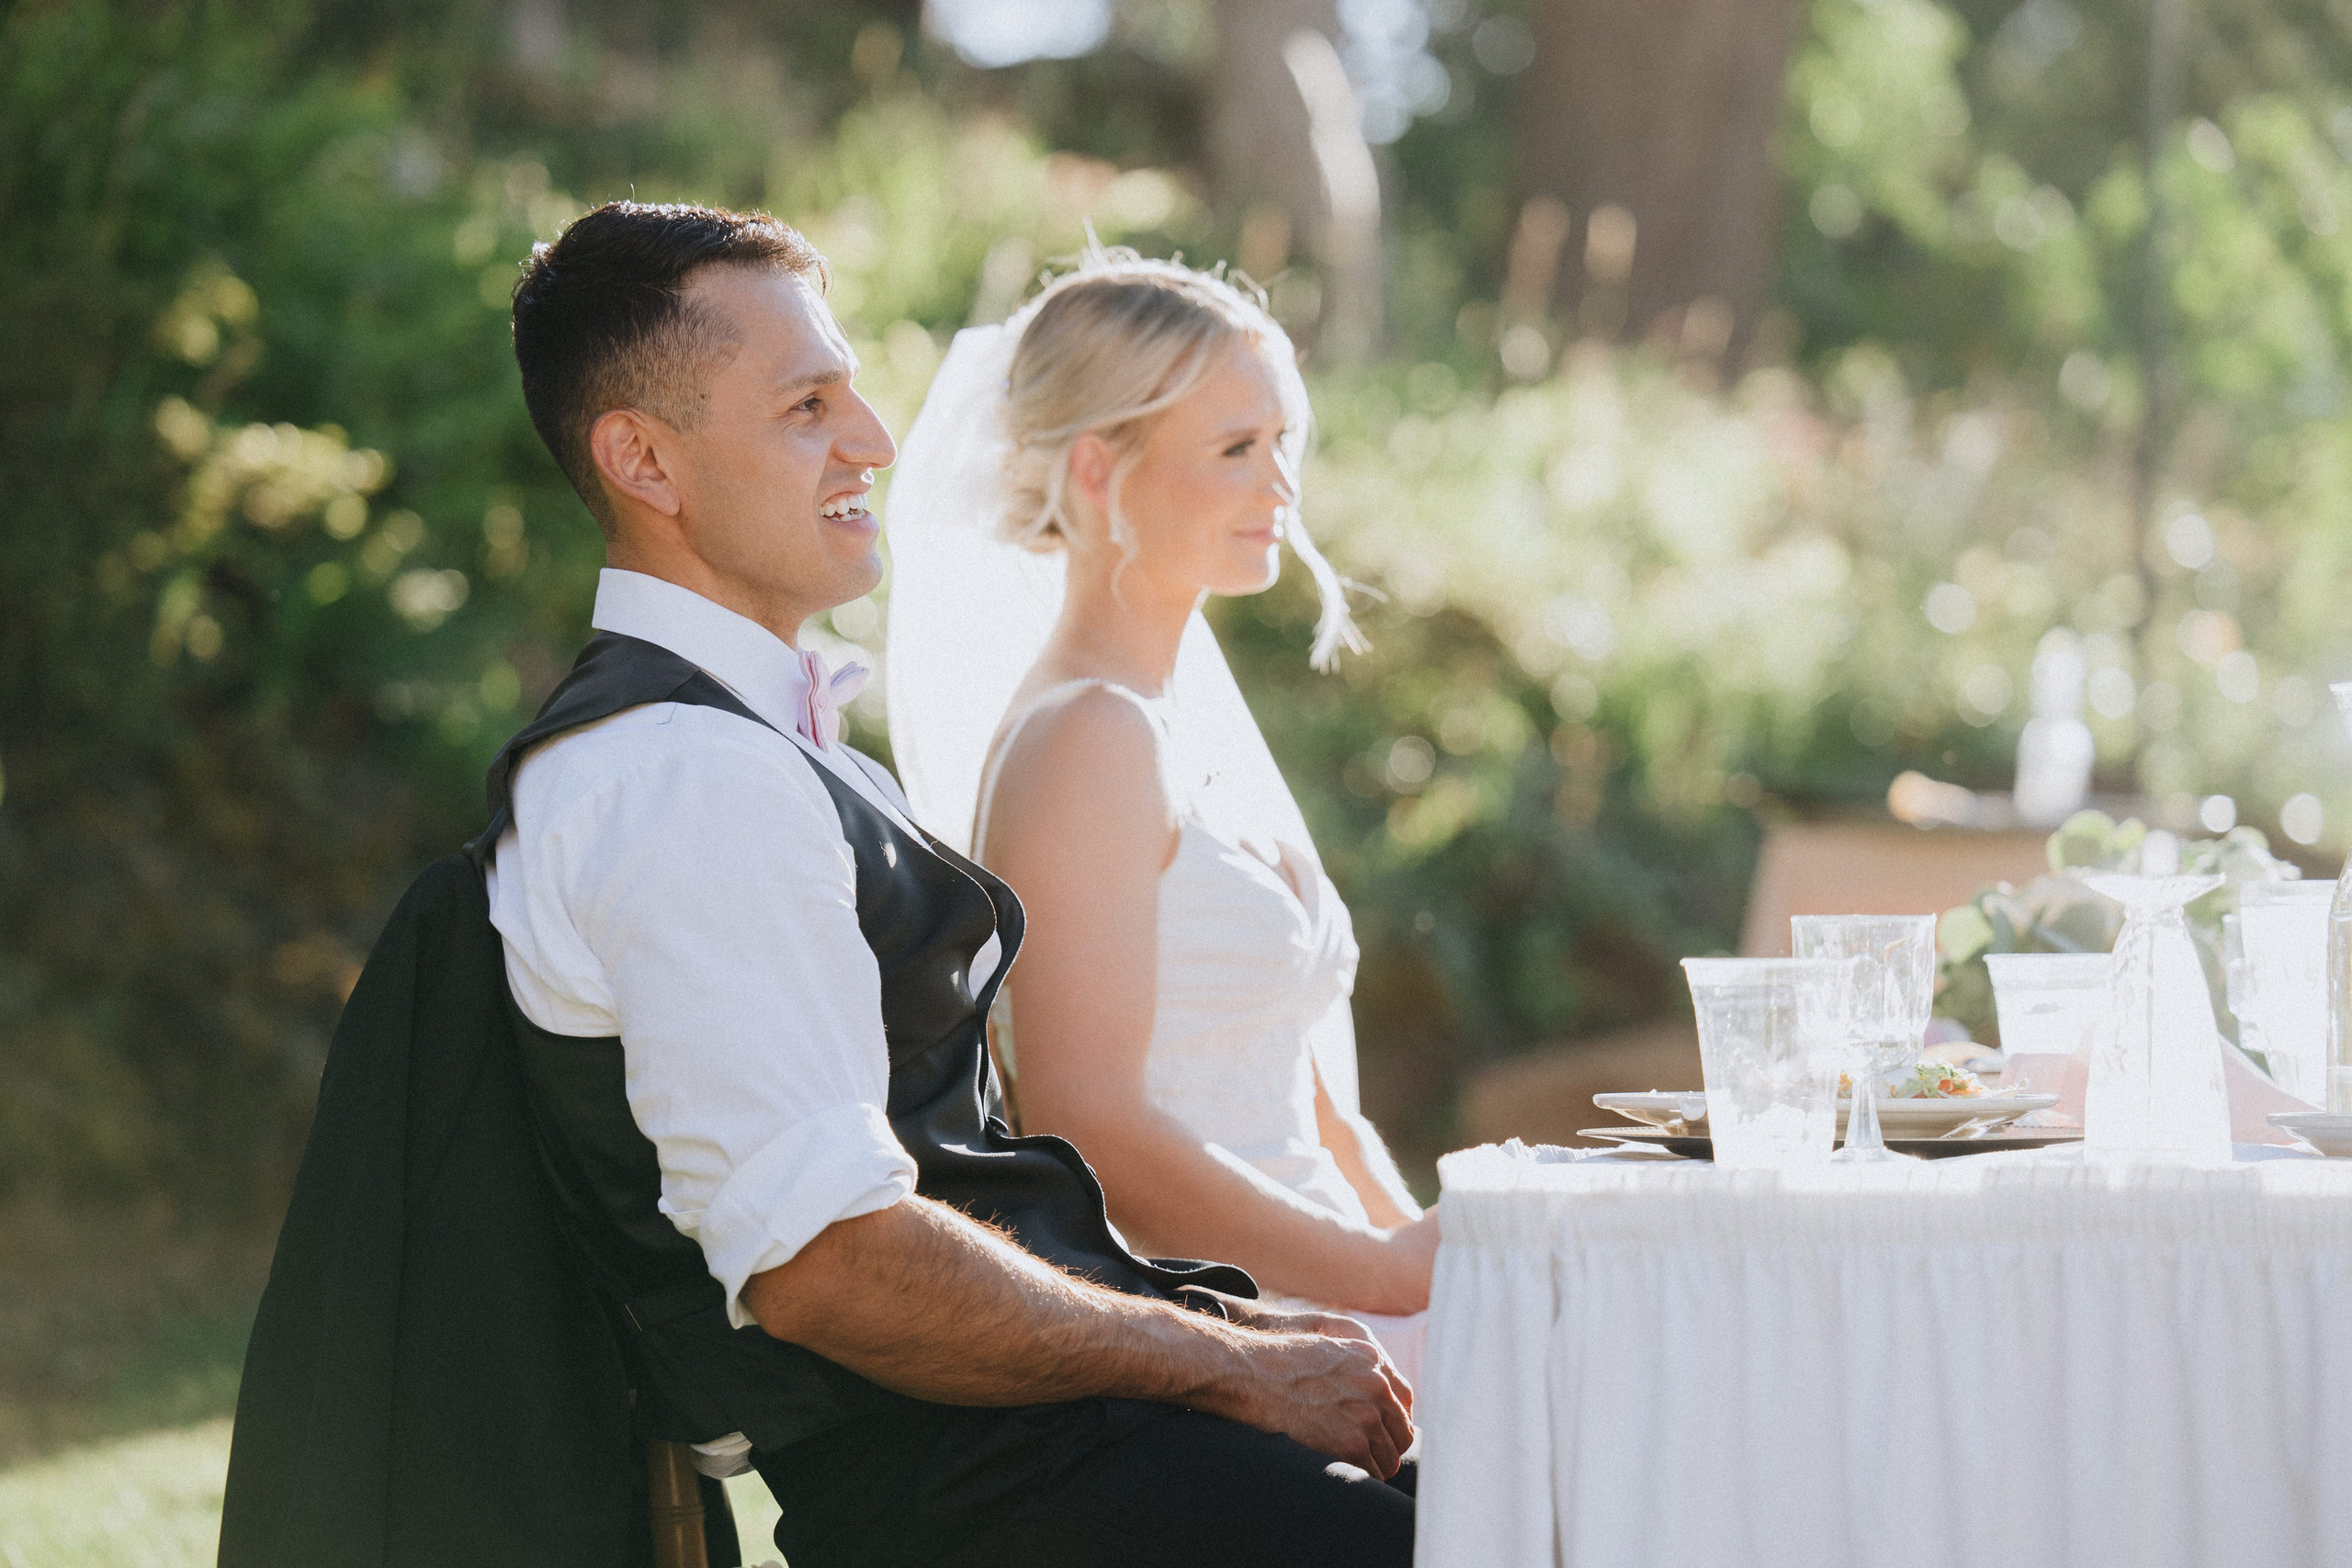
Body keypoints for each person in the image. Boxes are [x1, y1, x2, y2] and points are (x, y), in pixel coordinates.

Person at [484, 203, 1415, 1567]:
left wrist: (1232, 1328)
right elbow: (828, 1263)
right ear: (643, 460)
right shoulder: (682, 779)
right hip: (988, 1492)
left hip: (1055, 1434)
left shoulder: (762, 749)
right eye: (808, 406)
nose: (873, 440)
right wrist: (1225, 1362)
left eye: (852, 392)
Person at [885, 254, 1440, 1385]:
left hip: (1344, 1293)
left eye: (1282, 442)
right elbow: (1090, 1121)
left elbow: (1311, 1100)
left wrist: (1431, 1263)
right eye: (1235, 449)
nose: (1280, 484)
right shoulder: (1085, 739)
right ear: (1099, 470)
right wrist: (1379, 1275)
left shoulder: (1180, 726)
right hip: (1244, 1327)